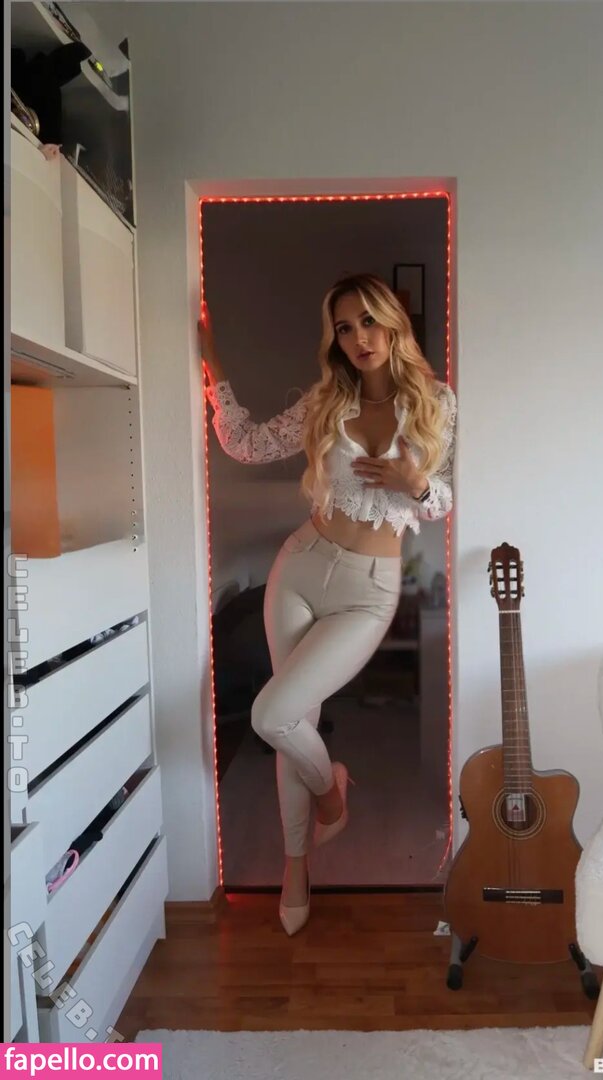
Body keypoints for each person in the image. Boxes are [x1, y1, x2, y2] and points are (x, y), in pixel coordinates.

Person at [198, 272, 457, 936]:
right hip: (301, 566)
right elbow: (246, 443)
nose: (359, 337)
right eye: (345, 328)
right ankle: (297, 863)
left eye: (368, 320)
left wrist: (415, 482)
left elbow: (444, 500)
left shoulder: (435, 403)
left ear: (392, 324)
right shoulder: (326, 401)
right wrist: (213, 367)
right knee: (293, 718)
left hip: (368, 590)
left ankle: (329, 794)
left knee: (272, 714)